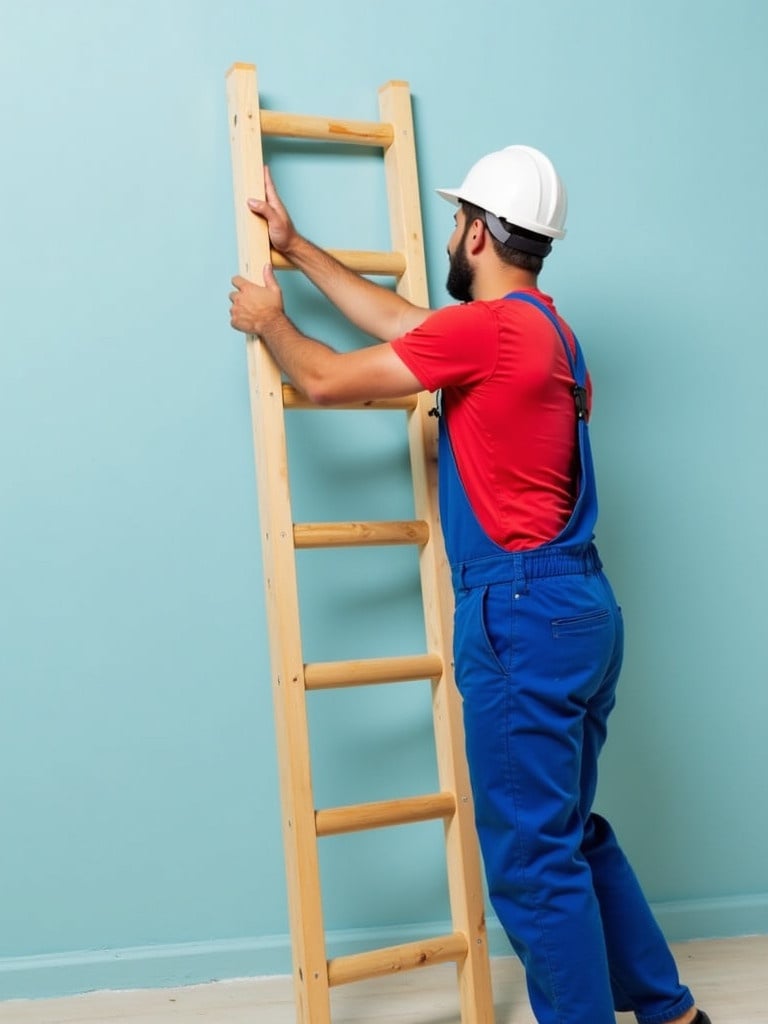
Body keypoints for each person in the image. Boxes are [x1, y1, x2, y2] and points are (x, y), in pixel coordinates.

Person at [229, 147, 711, 1024]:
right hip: (582, 609)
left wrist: (271, 320)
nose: (451, 233)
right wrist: (299, 250)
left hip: (521, 613)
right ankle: (671, 1012)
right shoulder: (547, 333)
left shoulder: (483, 335)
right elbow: (408, 323)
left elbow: (326, 376)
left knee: (532, 861)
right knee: (568, 832)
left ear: (480, 231)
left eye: (457, 221)